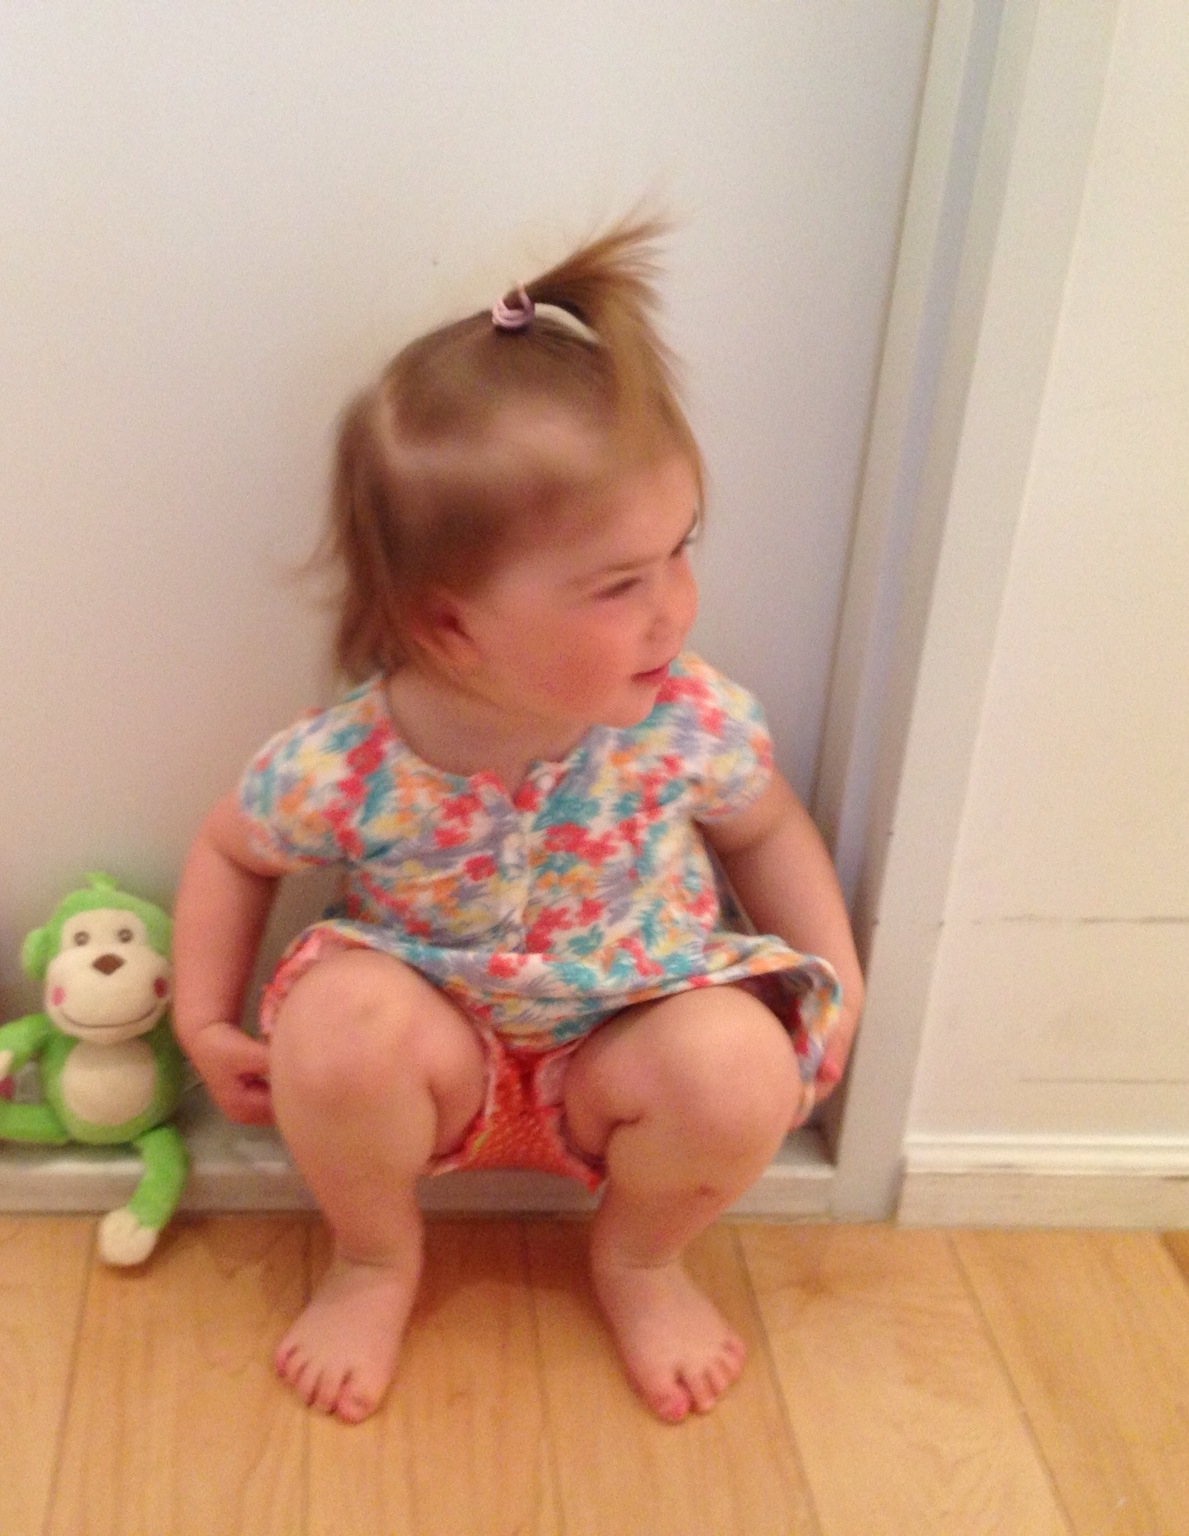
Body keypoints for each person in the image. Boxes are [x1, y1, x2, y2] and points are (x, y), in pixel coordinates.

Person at [172, 219, 864, 1425]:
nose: (673, 609)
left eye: (678, 553)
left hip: (626, 1048)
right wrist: (199, 1014)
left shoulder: (684, 718)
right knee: (333, 1029)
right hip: (433, 1055)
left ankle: (640, 1260)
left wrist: (837, 975)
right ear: (450, 626)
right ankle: (373, 1260)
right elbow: (232, 850)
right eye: (618, 586)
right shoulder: (352, 761)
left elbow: (763, 830)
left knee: (740, 1066)